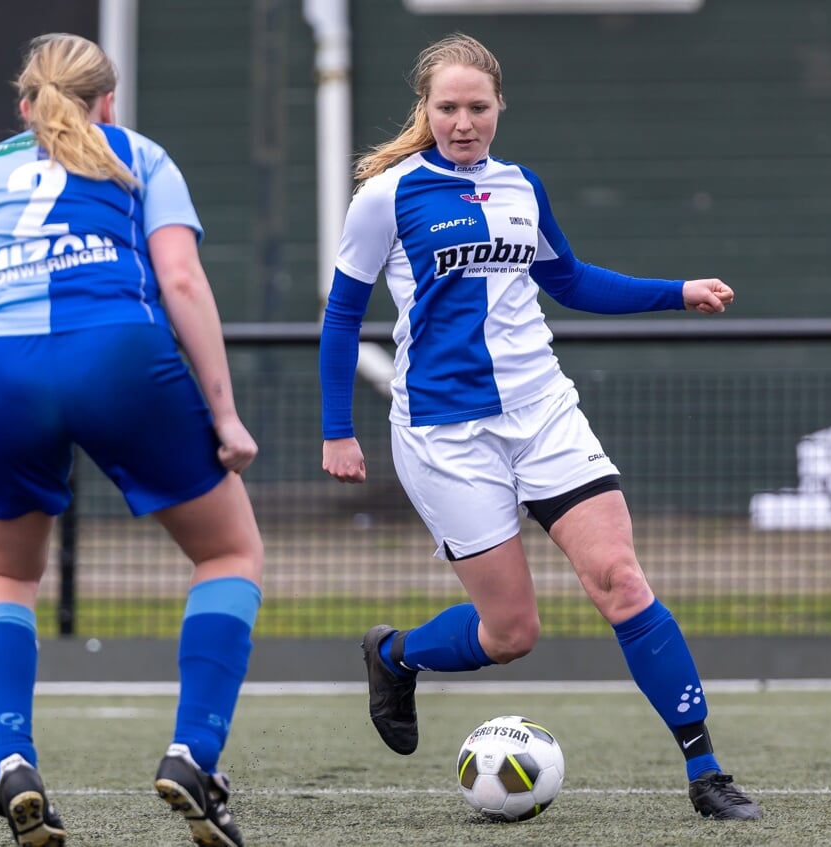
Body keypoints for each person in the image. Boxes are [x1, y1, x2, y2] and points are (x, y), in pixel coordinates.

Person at [318, 33, 763, 821]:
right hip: (445, 433)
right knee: (510, 631)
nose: (462, 122)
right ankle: (393, 654)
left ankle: (707, 770)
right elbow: (340, 315)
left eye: (477, 107)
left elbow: (570, 278)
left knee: (619, 579)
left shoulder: (521, 186)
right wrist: (335, 430)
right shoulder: (386, 195)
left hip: (542, 410)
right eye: (447, 107)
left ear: (497, 109)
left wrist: (677, 291)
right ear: (425, 109)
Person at [0, 33, 262, 847]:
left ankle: (13, 763)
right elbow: (182, 281)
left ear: (23, 103)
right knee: (228, 555)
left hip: (3, 372)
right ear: (106, 101)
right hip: (120, 353)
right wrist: (225, 415)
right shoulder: (138, 155)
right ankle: (195, 754)